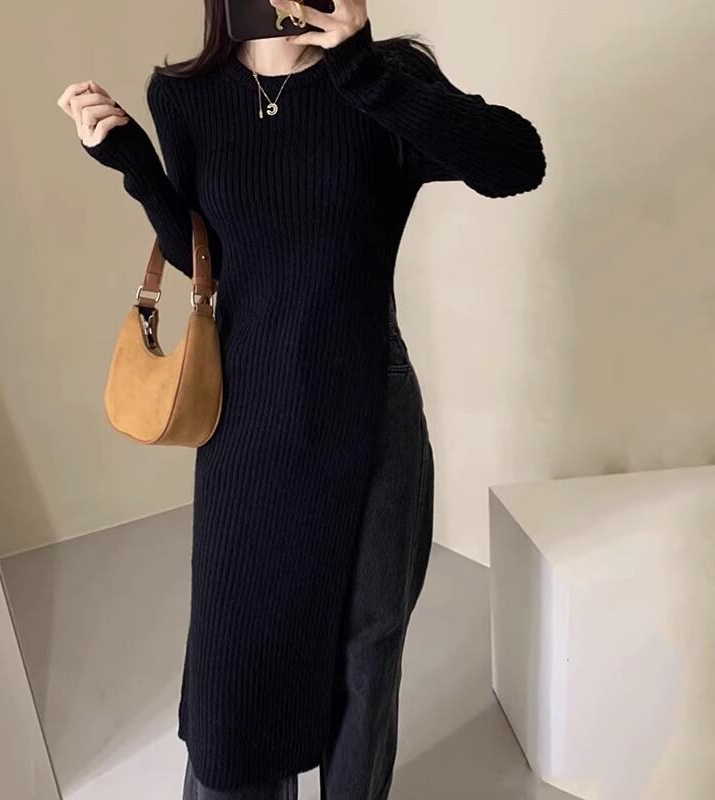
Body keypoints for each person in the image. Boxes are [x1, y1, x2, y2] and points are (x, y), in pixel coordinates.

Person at [57, 0, 545, 796]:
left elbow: (517, 162)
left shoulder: (385, 76)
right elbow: (210, 259)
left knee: (367, 643)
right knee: (240, 655)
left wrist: (364, 70)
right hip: (247, 409)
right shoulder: (184, 96)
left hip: (369, 402)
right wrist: (135, 165)